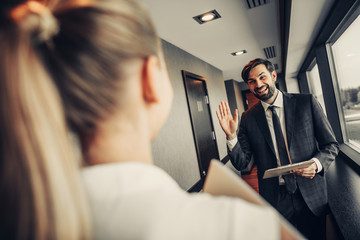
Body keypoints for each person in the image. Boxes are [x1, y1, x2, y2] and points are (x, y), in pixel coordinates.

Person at [0, 1, 299, 239]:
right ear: (149, 79)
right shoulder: (237, 227)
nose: (257, 83)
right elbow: (245, 165)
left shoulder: (28, 221)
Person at [216, 58, 339, 240]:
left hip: (311, 193)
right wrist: (231, 136)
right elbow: (242, 162)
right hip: (275, 196)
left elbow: (331, 145)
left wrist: (315, 164)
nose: (258, 84)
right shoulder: (248, 118)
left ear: (273, 76)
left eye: (262, 77)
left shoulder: (307, 102)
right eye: (251, 81)